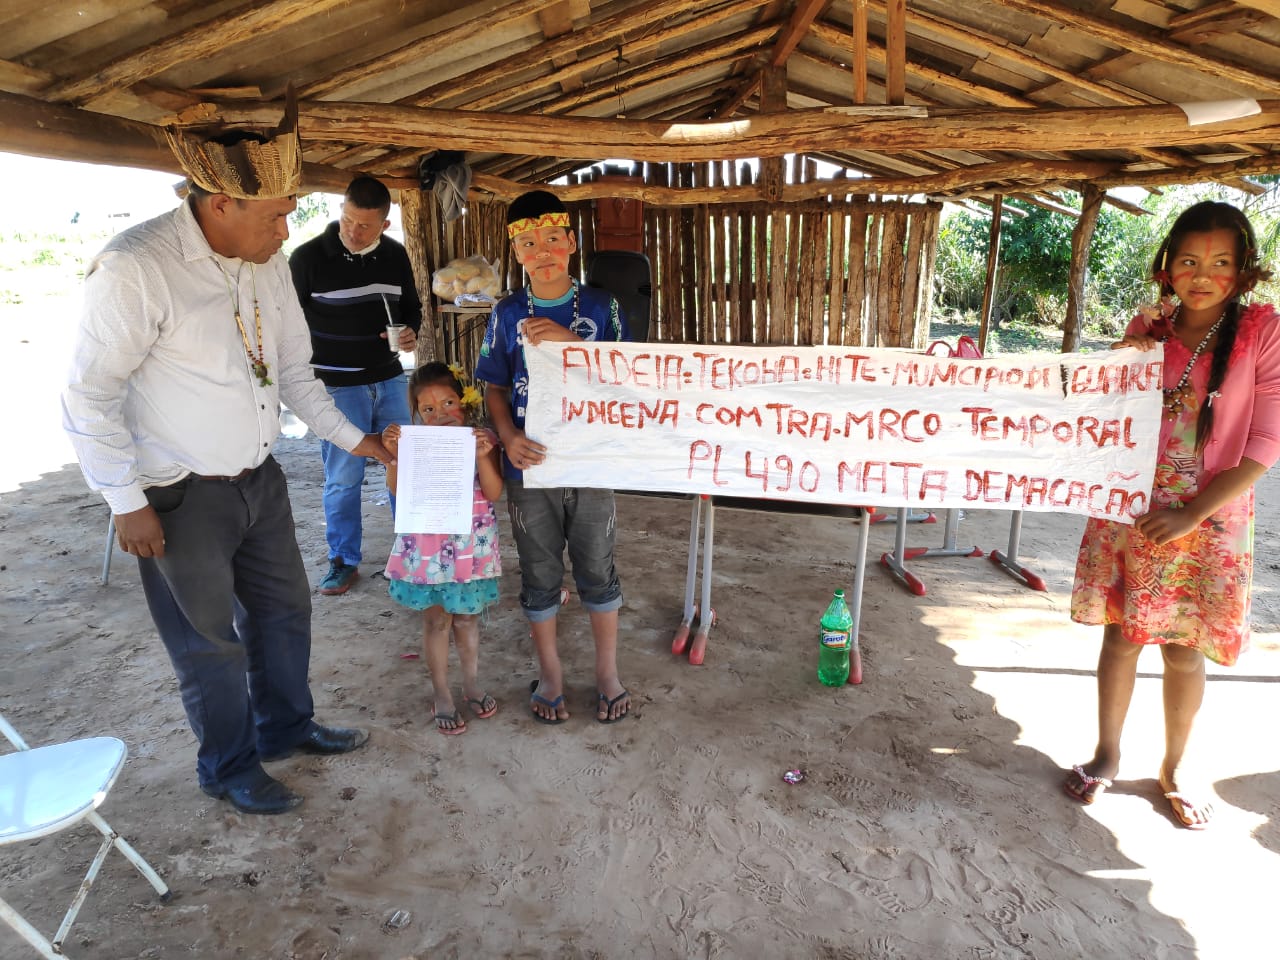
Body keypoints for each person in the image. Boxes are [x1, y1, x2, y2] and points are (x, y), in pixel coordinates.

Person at [62, 99, 385, 815]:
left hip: (259, 479)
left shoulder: (263, 260)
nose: (287, 229)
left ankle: (286, 727)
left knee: (285, 611)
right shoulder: (135, 268)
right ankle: (230, 766)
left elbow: (297, 374)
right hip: (177, 496)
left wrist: (361, 441)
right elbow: (88, 396)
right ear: (218, 204)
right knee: (208, 645)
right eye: (275, 214)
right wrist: (127, 500)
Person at [1064, 200, 1280, 829]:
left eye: (1220, 262)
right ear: (1166, 267)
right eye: (1188, 260)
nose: (1202, 273)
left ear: (1243, 272)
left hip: (1209, 519)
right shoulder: (1149, 326)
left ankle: (1177, 766)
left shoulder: (1262, 332)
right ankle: (1106, 755)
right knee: (1122, 635)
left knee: (1184, 647)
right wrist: (1120, 360)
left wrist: (1192, 513)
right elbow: (1108, 411)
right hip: (1132, 507)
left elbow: (1265, 443)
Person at [474, 189, 633, 724]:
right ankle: (551, 673)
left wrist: (571, 344)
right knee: (539, 569)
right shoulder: (506, 313)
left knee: (596, 563)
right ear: (516, 253)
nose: (541, 250)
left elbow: (627, 380)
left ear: (570, 242)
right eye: (527, 242)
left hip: (591, 459)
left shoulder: (600, 308)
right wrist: (505, 436)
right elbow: (493, 384)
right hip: (529, 464)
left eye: (551, 239)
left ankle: (607, 673)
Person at [289, 175, 423, 596]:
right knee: (344, 477)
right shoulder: (308, 258)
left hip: (388, 378)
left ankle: (414, 554)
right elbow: (288, 325)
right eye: (348, 220)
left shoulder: (396, 256)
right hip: (336, 386)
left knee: (405, 464)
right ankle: (343, 561)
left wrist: (409, 335)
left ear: (384, 225)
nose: (353, 231)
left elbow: (413, 310)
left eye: (365, 225)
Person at [381, 362, 502, 736]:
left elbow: (494, 492)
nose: (440, 415)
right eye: (428, 409)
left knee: (466, 619)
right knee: (436, 621)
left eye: (449, 402)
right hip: (429, 549)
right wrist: (394, 455)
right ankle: (442, 692)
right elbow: (398, 489)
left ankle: (471, 684)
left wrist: (482, 456)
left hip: (470, 548)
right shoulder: (413, 444)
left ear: (465, 402)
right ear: (417, 413)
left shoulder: (482, 440)